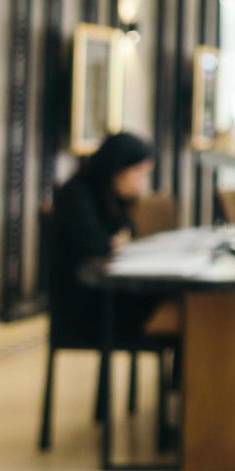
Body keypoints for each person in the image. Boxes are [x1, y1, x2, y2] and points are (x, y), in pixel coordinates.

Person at [52, 132, 175, 338]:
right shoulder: (75, 194)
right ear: (118, 170)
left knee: (175, 301)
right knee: (176, 307)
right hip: (85, 304)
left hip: (104, 295)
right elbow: (95, 245)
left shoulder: (112, 198)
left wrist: (114, 242)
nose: (142, 184)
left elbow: (122, 238)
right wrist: (113, 243)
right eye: (140, 174)